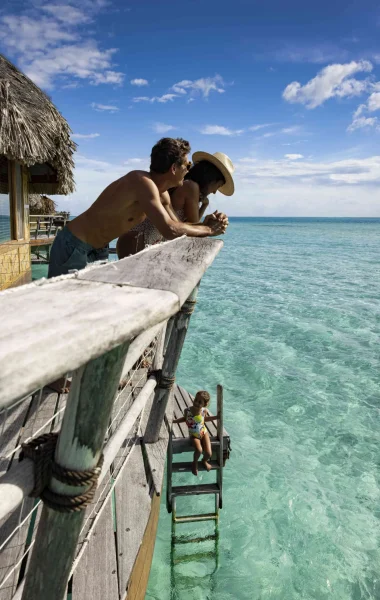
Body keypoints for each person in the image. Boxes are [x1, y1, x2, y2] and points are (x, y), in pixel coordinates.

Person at [48, 138, 228, 278]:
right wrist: (208, 230)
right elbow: (169, 230)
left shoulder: (161, 193)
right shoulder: (141, 182)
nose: (188, 170)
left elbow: (177, 224)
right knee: (63, 306)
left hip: (99, 248)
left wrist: (205, 224)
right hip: (74, 245)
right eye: (187, 165)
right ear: (174, 168)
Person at [116, 151, 234, 258]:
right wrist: (210, 227)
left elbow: (185, 225)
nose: (214, 191)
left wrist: (204, 211)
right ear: (211, 179)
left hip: (138, 243)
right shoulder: (190, 187)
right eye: (217, 186)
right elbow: (193, 230)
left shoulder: (186, 185)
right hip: (136, 243)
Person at [173, 390, 217, 476]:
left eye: (199, 402)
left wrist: (216, 417)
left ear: (205, 404)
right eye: (196, 400)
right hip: (194, 435)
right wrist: (174, 421)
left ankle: (204, 461)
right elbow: (184, 419)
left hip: (204, 433)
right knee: (199, 450)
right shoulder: (187, 411)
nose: (196, 402)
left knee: (209, 453)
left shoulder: (204, 411)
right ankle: (195, 463)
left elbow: (204, 419)